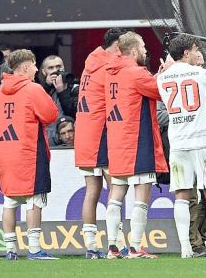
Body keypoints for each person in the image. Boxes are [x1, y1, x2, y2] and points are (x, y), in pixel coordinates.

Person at [156, 34, 206, 258]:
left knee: (181, 194)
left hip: (178, 142)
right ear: (186, 53)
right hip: (202, 141)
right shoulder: (201, 73)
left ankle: (185, 248)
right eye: (195, 49)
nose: (198, 53)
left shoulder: (162, 78)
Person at [104, 32, 171, 259]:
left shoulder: (111, 73)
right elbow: (161, 92)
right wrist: (168, 72)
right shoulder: (135, 72)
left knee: (116, 195)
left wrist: (156, 76)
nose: (145, 50)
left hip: (117, 142)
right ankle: (134, 247)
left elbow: (145, 86)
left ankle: (112, 247)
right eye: (142, 46)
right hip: (137, 141)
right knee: (142, 195)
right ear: (132, 51)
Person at [0, 49, 59, 260]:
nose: (36, 69)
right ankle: (33, 249)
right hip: (30, 152)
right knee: (34, 201)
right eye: (33, 65)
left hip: (6, 153)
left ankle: (10, 249)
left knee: (9, 201)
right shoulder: (33, 89)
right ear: (24, 67)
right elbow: (50, 115)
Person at [74, 28, 125, 258]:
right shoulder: (109, 67)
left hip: (85, 135)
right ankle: (118, 243)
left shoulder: (91, 63)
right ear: (117, 46)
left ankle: (91, 246)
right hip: (101, 135)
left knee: (92, 191)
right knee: (115, 189)